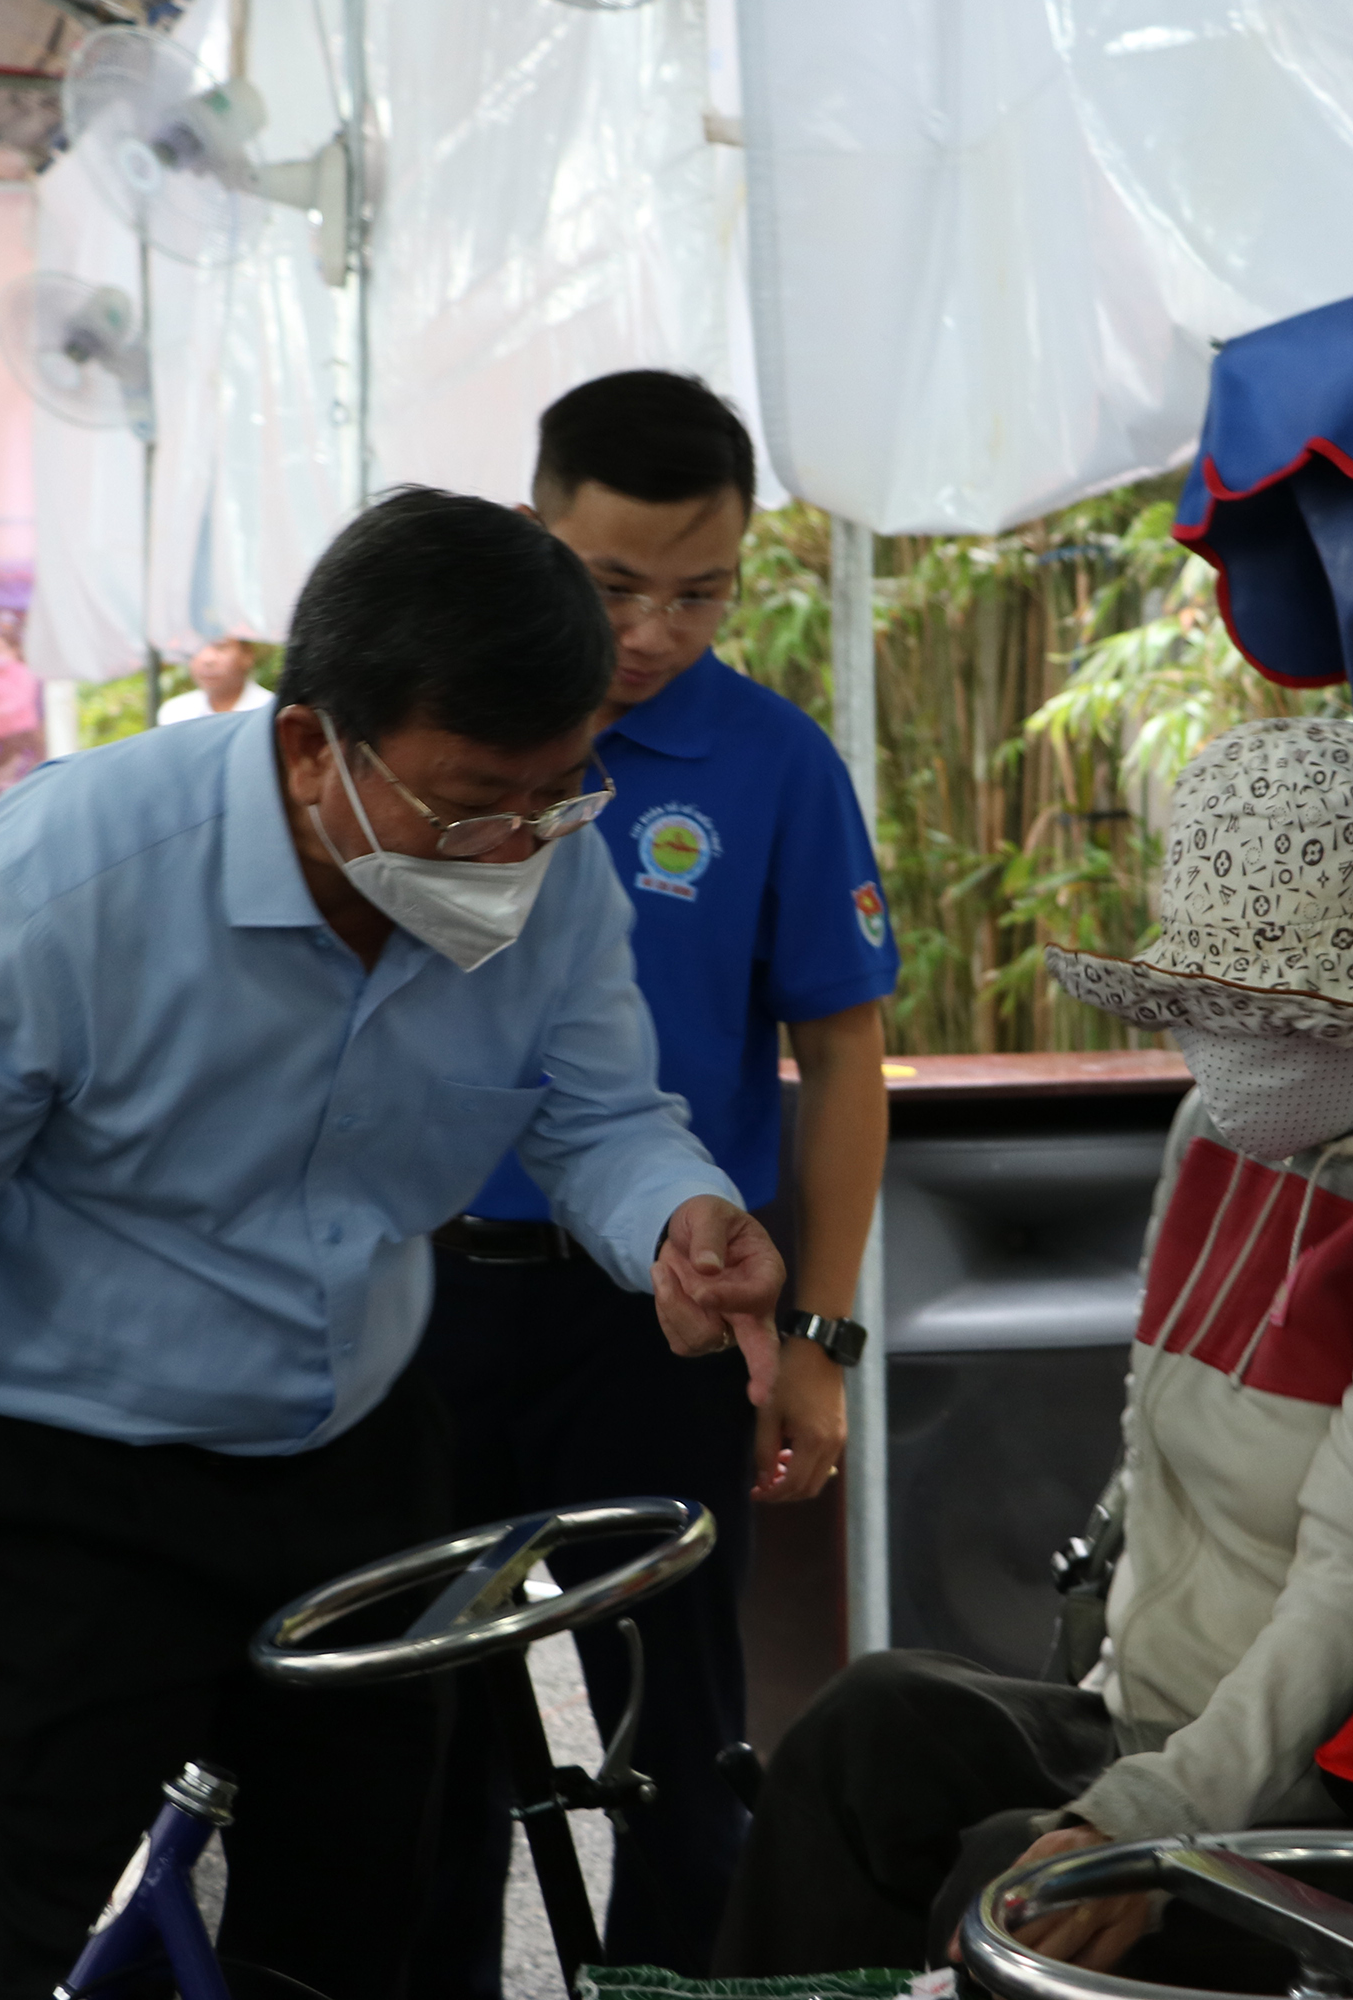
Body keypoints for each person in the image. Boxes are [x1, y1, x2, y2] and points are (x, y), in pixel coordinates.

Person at [0, 486, 791, 2000]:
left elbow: (597, 1115)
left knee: (358, 1911)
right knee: (92, 1922)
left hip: (355, 1450)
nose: (514, 847)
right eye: (470, 804)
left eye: (558, 794)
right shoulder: (69, 879)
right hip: (75, 1478)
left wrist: (680, 1220)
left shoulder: (550, 866)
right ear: (314, 745)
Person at [713, 717, 1353, 1973]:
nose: (1235, 1053)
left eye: (1283, 1016)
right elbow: (1152, 1450)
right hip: (1159, 1710)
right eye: (1213, 1009)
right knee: (866, 1728)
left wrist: (1150, 1815)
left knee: (1014, 1886)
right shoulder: (1216, 1134)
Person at [409, 370, 899, 1991]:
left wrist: (819, 1341)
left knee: (681, 1746)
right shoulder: (429, 740)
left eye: (701, 593)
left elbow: (844, 1062)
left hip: (668, 1319)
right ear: (531, 529)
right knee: (420, 1741)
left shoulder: (773, 762)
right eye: (613, 584)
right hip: (413, 1305)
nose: (652, 632)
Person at [157, 633, 274, 724]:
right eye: (197, 648)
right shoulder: (175, 713)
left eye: (220, 646)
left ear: (247, 655)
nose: (207, 659)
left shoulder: (270, 711)